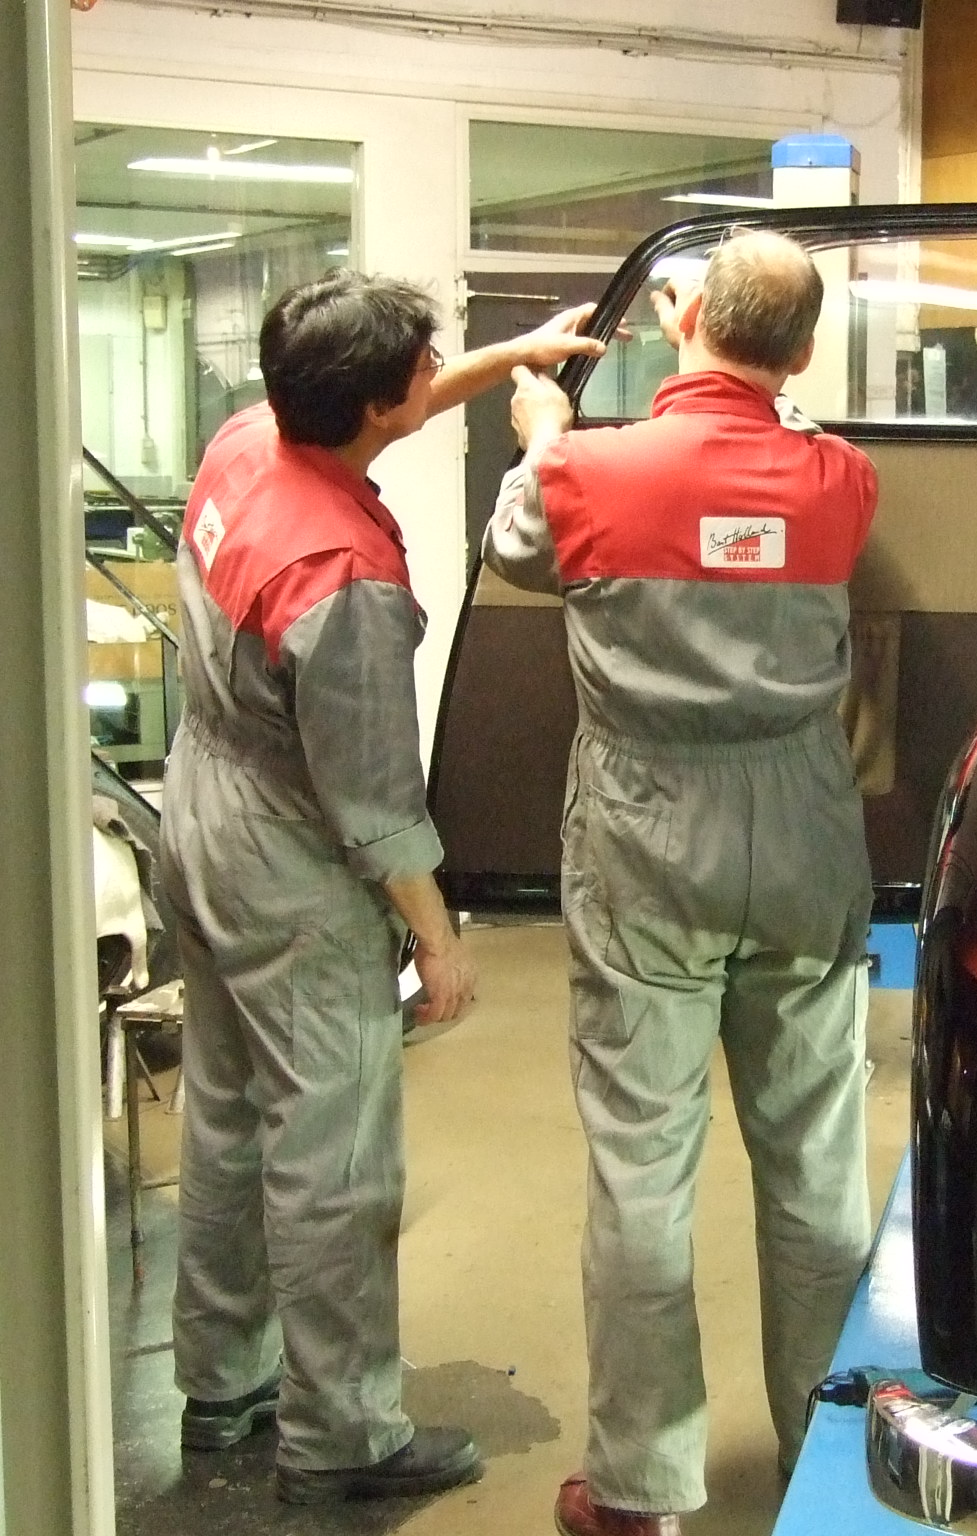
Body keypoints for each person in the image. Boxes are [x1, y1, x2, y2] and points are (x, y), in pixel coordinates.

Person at [159, 269, 603, 1506]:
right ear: (368, 403)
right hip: (286, 852)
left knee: (227, 1115)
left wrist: (511, 354)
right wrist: (437, 938)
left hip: (201, 802)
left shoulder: (251, 440)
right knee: (334, 1157)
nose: (429, 381)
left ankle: (223, 1378)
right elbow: (369, 799)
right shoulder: (343, 580)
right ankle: (342, 1432)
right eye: (420, 369)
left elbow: (384, 410)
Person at [484, 230, 880, 1536]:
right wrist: (735, 349)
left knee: (643, 1165)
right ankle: (827, 1455)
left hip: (648, 832)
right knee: (815, 1160)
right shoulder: (840, 479)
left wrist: (544, 432)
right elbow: (777, 449)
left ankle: (642, 1489)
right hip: (805, 825)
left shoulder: (582, 474)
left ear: (681, 317)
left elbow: (516, 549)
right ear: (804, 355)